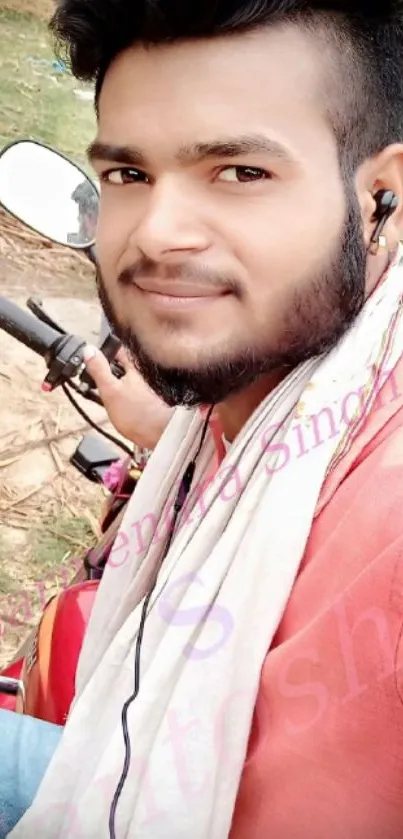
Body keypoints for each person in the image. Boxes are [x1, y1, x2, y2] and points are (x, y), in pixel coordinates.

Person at [3, 1, 403, 837]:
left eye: (239, 172)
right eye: (127, 175)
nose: (157, 234)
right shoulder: (287, 389)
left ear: (381, 196)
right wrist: (165, 428)